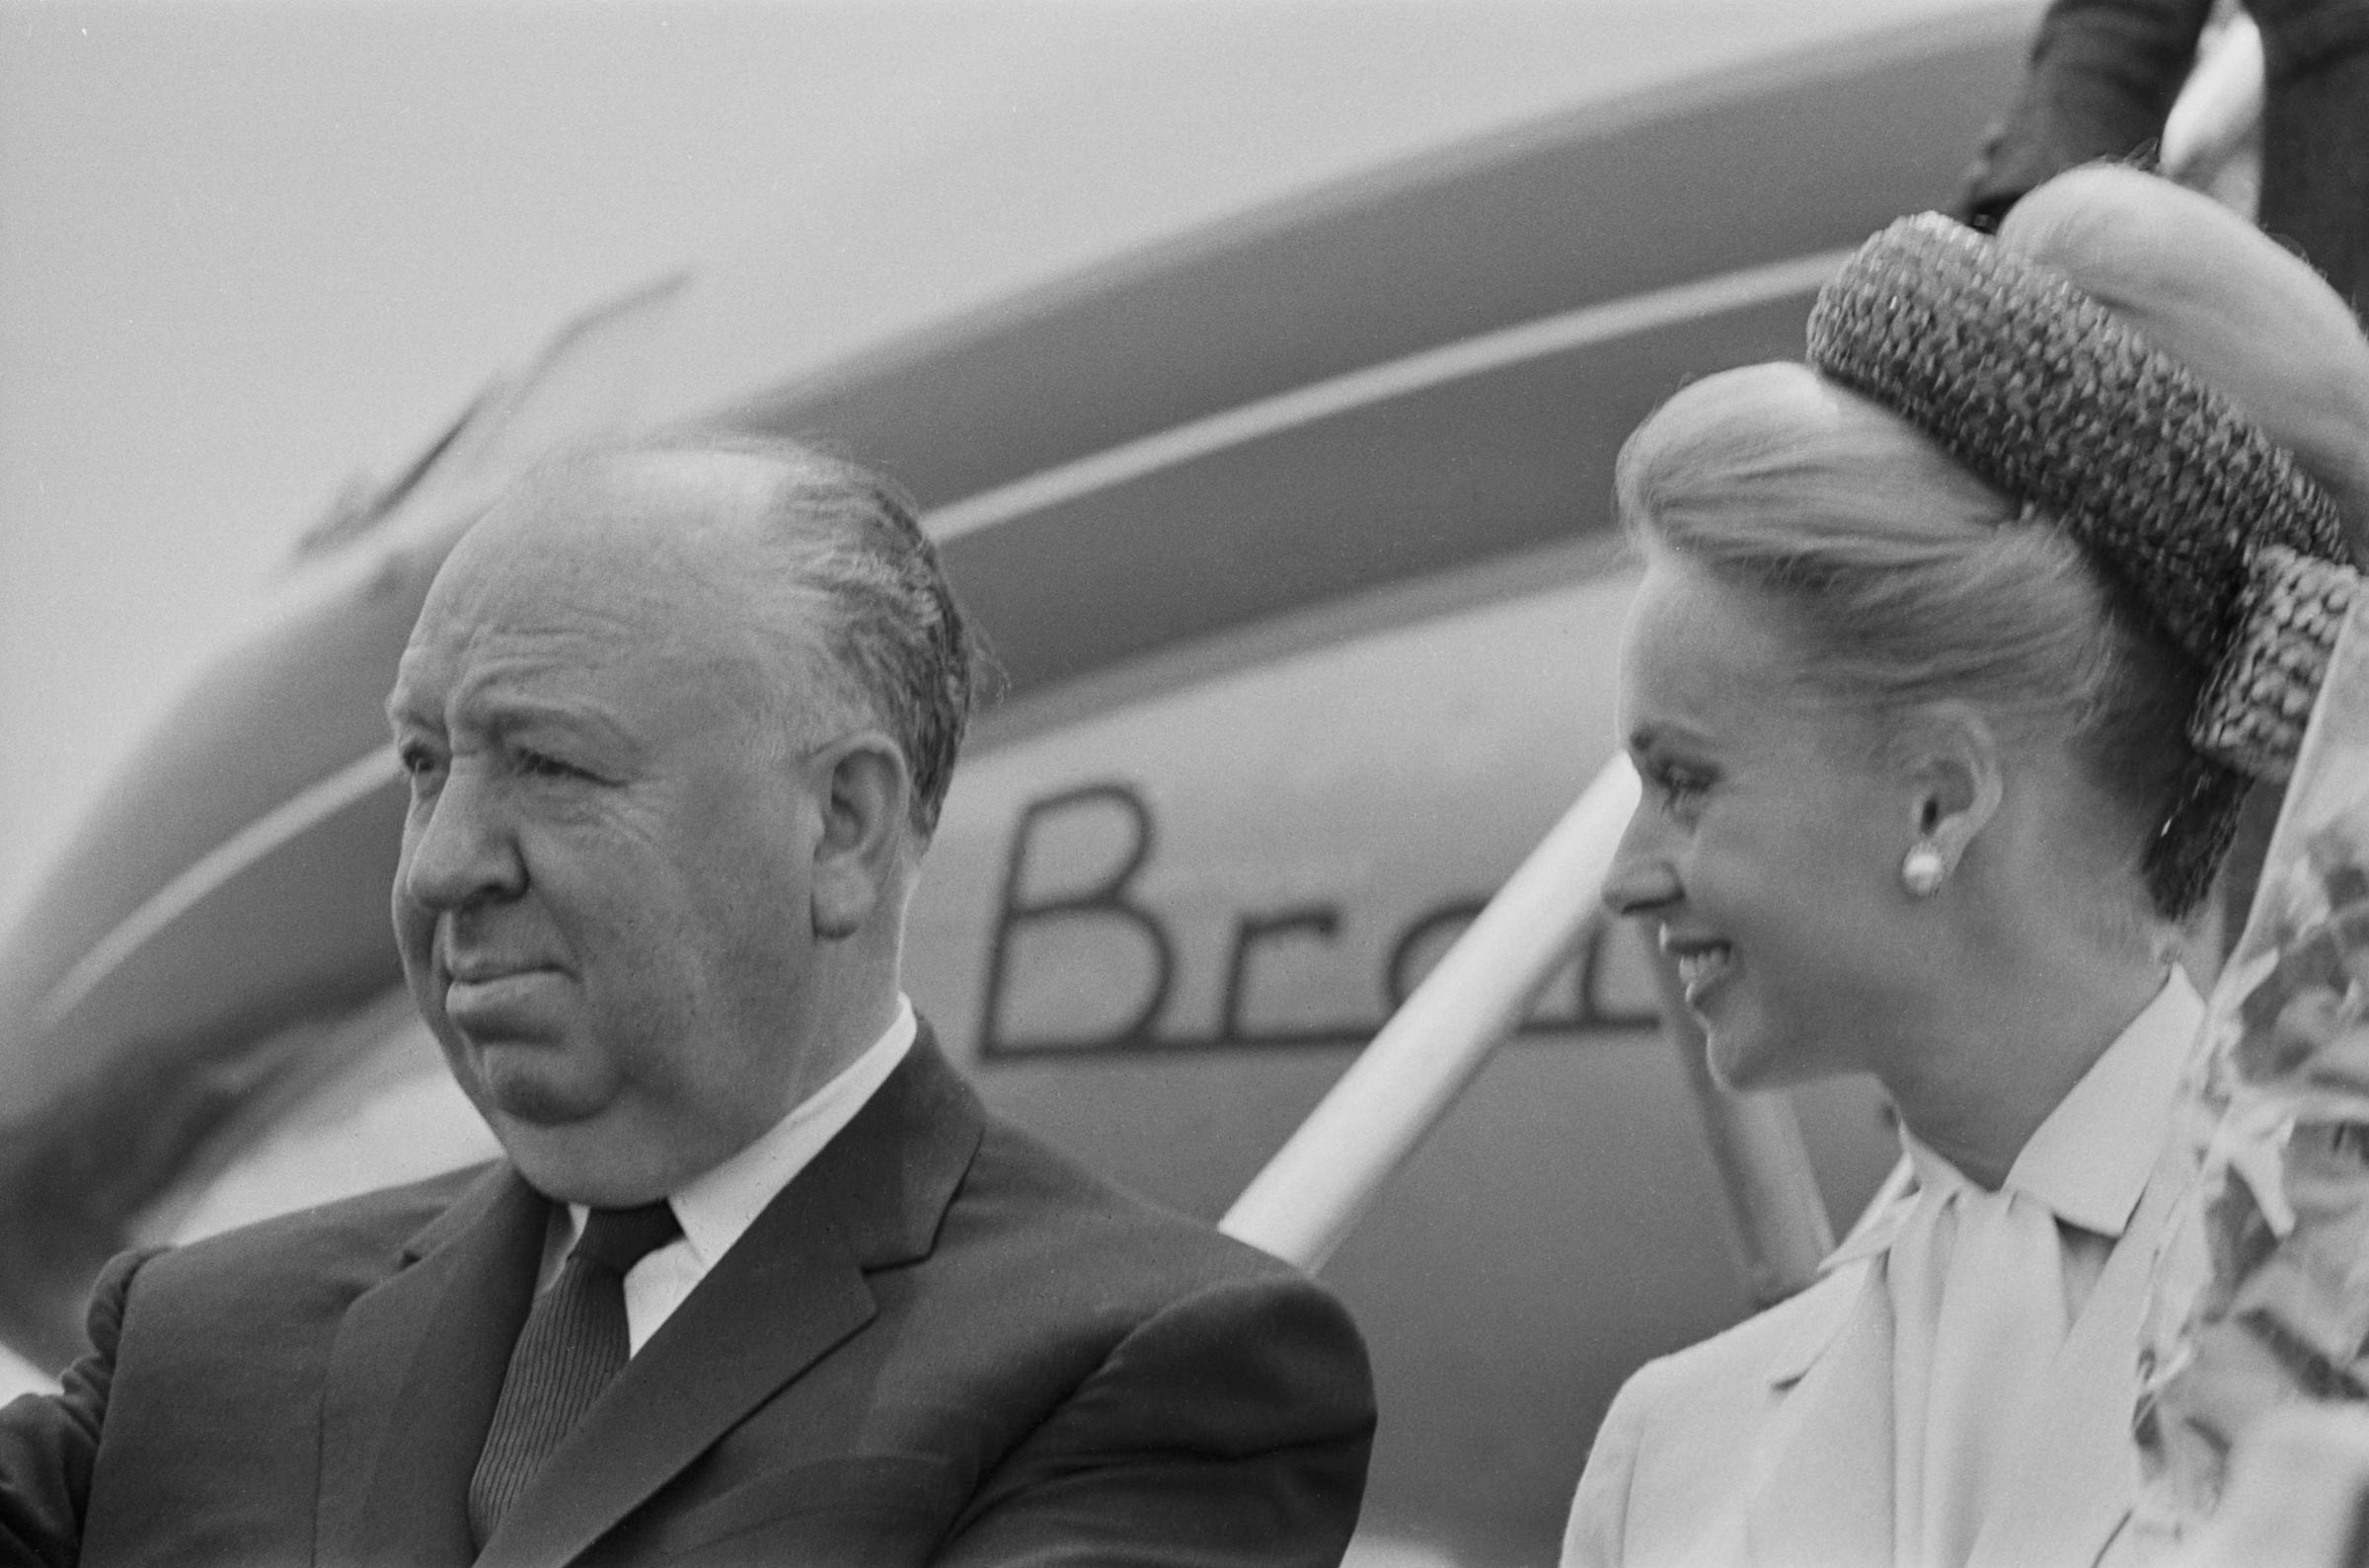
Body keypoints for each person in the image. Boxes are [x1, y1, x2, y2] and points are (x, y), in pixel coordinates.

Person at [0, 435, 1376, 1566]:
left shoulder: (1155, 1370)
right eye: (425, 763)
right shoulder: (191, 1341)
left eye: (547, 763)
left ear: (840, 823)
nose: (443, 861)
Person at [1562, 165, 2368, 1568]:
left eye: (1685, 781)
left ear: (1940, 798)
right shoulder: (1667, 1448)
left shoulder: (2332, 1300)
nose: (1628, 875)